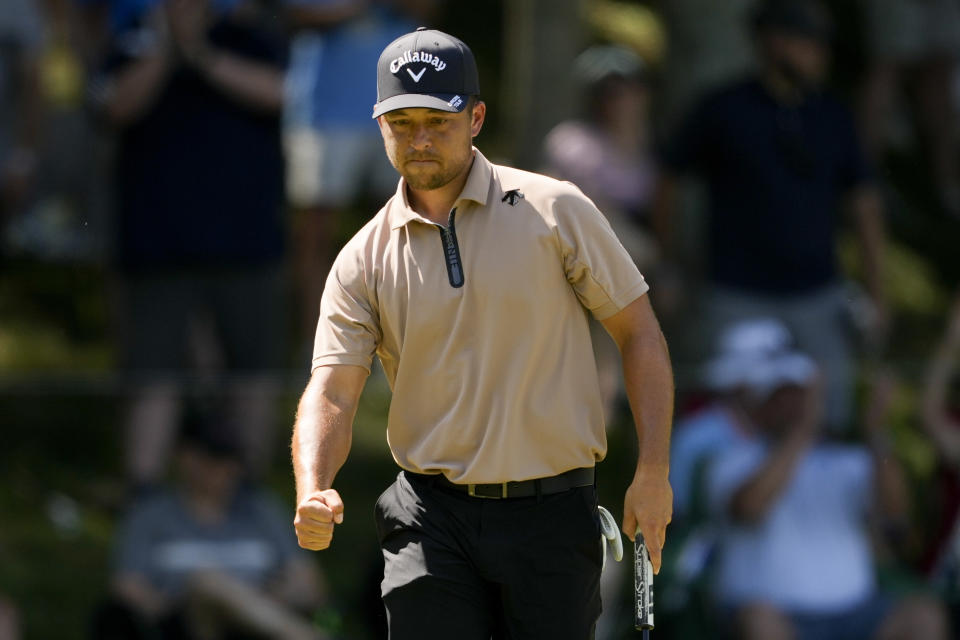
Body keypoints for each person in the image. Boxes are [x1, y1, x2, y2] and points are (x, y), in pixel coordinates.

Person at [291, 27, 674, 638]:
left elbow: (640, 335)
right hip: (428, 514)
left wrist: (653, 472)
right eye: (402, 121)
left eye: (437, 121)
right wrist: (313, 487)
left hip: (551, 512)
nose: (419, 139)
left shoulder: (557, 210)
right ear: (380, 125)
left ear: (475, 117)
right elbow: (333, 390)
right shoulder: (360, 258)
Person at [654, 0, 887, 432]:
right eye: (810, 43)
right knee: (724, 421)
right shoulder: (723, 108)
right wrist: (669, 265)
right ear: (775, 42)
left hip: (818, 294)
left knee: (826, 421)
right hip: (735, 295)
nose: (820, 55)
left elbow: (864, 203)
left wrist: (877, 292)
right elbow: (669, 178)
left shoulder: (834, 116)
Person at [91, 0, 288, 490]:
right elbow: (114, 105)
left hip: (248, 244)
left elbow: (283, 94)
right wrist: (166, 51)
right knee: (154, 377)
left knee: (252, 375)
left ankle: (248, 494)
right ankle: (144, 498)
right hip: (157, 248)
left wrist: (200, 55)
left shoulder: (250, 37)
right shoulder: (133, 40)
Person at [706, 364, 949, 640]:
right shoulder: (734, 459)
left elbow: (896, 516)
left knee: (923, 617)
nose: (798, 405)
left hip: (856, 614)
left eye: (803, 395)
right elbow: (749, 509)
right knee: (760, 622)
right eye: (784, 395)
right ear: (764, 406)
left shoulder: (848, 461)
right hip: (776, 616)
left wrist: (877, 432)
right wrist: (803, 431)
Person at [95, 408, 326, 640]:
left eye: (233, 458)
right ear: (186, 457)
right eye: (215, 457)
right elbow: (126, 585)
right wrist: (166, 610)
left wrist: (255, 603)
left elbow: (308, 583)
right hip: (182, 624)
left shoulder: (261, 510)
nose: (227, 468)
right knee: (206, 583)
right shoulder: (152, 513)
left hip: (255, 625)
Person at [282, 0, 433, 349]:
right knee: (314, 237)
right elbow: (296, 14)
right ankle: (318, 346)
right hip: (322, 115)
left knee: (403, 231)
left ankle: (394, 349)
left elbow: (426, 12)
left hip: (399, 108)